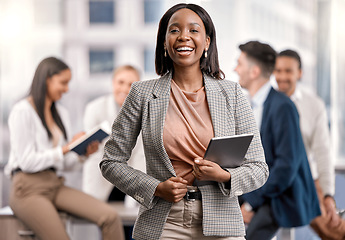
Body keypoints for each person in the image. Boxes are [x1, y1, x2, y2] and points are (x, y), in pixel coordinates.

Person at [100, 3, 269, 240]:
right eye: (174, 30)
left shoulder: (231, 93)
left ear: (207, 41)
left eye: (193, 30)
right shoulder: (142, 93)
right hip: (165, 221)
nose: (183, 37)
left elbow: (259, 169)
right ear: (164, 42)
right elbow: (111, 162)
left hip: (221, 221)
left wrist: (224, 175)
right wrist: (155, 187)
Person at [5, 57, 124, 240]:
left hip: (54, 183)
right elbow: (27, 162)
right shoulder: (22, 111)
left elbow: (65, 165)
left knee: (110, 217)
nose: (66, 89)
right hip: (27, 189)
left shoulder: (61, 113)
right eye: (63, 83)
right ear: (47, 79)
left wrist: (82, 154)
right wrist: (65, 149)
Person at [234, 41, 321, 240]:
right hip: (262, 190)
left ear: (254, 71)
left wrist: (250, 204)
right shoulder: (251, 105)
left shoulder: (283, 106)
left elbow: (285, 166)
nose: (235, 69)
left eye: (239, 64)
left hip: (281, 196)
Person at [274, 49, 345, 240]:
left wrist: (328, 194)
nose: (282, 76)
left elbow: (323, 152)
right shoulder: (264, 103)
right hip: (273, 180)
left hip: (306, 182)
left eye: (288, 71)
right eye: (278, 70)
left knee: (336, 229)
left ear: (300, 73)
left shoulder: (314, 105)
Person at [82, 65, 145, 202]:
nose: (124, 89)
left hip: (131, 177)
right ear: (113, 83)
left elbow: (141, 153)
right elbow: (94, 150)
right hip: (101, 176)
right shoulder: (95, 108)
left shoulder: (144, 112)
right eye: (120, 82)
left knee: (130, 221)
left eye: (131, 84)